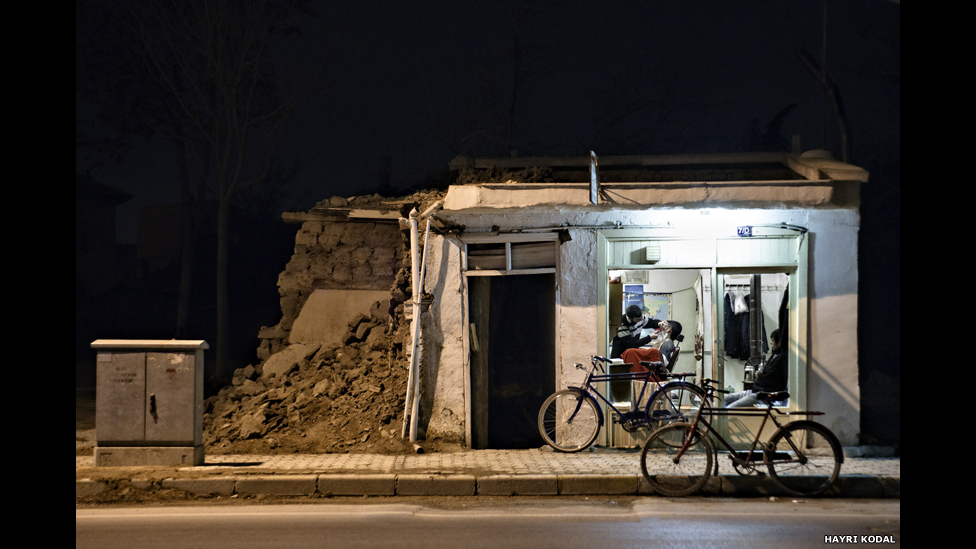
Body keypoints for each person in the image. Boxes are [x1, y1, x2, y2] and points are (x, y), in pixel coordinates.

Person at [724, 328, 787, 408]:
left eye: (773, 340)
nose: (770, 343)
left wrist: (759, 377)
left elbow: (767, 379)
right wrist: (761, 375)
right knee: (724, 398)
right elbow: (765, 375)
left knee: (729, 409)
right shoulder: (774, 356)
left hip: (761, 396)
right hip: (754, 391)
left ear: (779, 342)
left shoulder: (781, 359)